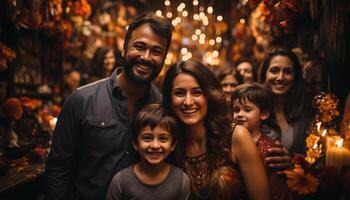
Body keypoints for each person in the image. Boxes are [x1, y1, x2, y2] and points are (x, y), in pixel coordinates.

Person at [45, 13, 173, 200]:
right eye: (139, 47)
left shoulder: (164, 107)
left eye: (156, 51)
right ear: (124, 48)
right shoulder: (81, 100)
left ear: (164, 58)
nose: (146, 57)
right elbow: (58, 167)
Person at [162, 60, 269, 200]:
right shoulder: (166, 142)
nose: (188, 102)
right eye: (179, 93)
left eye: (197, 92)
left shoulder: (236, 136)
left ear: (209, 96)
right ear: (170, 100)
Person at [106, 104, 190, 200]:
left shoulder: (181, 181)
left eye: (163, 139)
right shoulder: (121, 181)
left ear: (173, 145)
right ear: (135, 143)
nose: (155, 146)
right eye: (147, 138)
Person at [232, 83, 292, 200]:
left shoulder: (269, 148)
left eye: (247, 110)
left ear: (264, 114)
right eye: (236, 109)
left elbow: (276, 188)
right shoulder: (230, 140)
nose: (240, 114)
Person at [258, 48, 314, 172]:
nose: (280, 77)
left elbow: (318, 160)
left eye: (287, 72)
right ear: (264, 76)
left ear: (295, 79)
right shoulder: (254, 112)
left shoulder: (307, 116)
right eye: (274, 70)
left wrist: (294, 160)